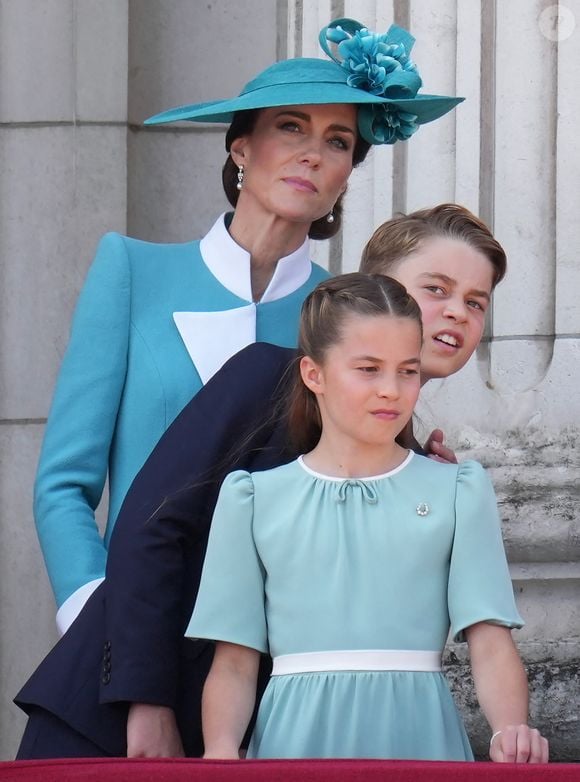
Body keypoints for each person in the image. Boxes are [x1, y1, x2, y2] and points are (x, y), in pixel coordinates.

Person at [14, 204, 508, 759]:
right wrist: (144, 702)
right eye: (436, 289)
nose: (456, 314)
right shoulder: (263, 376)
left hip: (245, 745)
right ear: (372, 289)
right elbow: (148, 526)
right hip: (111, 722)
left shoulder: (426, 472)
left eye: (475, 302)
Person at [33, 16, 463, 638]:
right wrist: (94, 614)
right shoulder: (132, 271)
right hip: (131, 631)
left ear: (347, 172)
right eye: (291, 128)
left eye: (339, 141)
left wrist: (419, 478)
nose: (313, 153)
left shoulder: (351, 310)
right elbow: (63, 483)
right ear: (241, 148)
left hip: (285, 645)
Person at [190, 273, 549, 763]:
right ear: (313, 374)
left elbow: (489, 639)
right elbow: (233, 663)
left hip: (421, 744)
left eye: (407, 371)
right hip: (293, 747)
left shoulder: (458, 491)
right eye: (368, 369)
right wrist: (220, 753)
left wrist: (511, 730)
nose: (392, 390)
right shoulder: (253, 499)